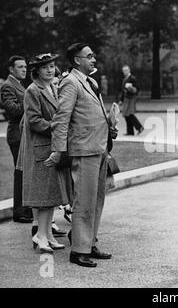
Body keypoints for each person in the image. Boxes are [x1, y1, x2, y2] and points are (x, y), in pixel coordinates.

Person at [45, 43, 117, 268]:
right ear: (77, 60)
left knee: (96, 201)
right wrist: (58, 150)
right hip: (84, 151)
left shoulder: (91, 82)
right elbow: (61, 118)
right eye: (90, 56)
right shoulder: (70, 82)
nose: (94, 60)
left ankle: (90, 243)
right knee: (84, 202)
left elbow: (95, 113)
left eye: (93, 56)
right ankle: (78, 250)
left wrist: (109, 126)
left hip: (99, 148)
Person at [18, 53, 73, 253]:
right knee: (43, 197)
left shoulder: (53, 87)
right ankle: (40, 235)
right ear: (37, 71)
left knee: (51, 196)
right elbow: (34, 120)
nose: (50, 70)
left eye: (52, 66)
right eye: (45, 67)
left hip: (51, 146)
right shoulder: (33, 90)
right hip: (41, 149)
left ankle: (47, 234)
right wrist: (56, 127)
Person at [0, 55, 33, 223]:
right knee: (21, 173)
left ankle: (26, 210)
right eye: (20, 67)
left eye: (25, 67)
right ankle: (20, 211)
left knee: (26, 172)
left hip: (24, 135)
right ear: (11, 69)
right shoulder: (7, 86)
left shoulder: (19, 85)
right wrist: (32, 103)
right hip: (17, 135)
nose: (24, 69)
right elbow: (12, 110)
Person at [118, 64, 143, 135]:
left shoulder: (132, 78)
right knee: (126, 115)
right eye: (123, 71)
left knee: (129, 114)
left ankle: (139, 127)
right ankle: (130, 132)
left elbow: (137, 88)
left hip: (131, 98)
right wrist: (121, 100)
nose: (124, 72)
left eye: (126, 70)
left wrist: (131, 88)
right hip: (126, 98)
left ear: (129, 70)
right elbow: (123, 91)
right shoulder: (125, 79)